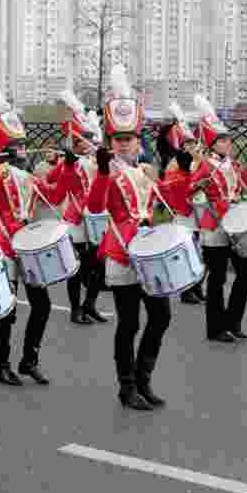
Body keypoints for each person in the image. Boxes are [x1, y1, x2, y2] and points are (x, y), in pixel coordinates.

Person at [0, 86, 75, 387]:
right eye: (19, 145)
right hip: (4, 247)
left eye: (25, 144)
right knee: (7, 310)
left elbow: (56, 193)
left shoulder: (28, 177)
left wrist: (68, 166)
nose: (25, 150)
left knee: (43, 306)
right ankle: (2, 365)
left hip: (28, 245)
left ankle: (29, 360)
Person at [87, 65, 172, 410]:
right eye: (119, 139)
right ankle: (127, 387)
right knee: (130, 321)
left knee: (161, 316)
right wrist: (104, 172)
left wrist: (178, 175)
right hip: (122, 254)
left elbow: (168, 206)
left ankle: (144, 379)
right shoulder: (104, 171)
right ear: (110, 142)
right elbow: (94, 207)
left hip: (149, 252)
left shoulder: (145, 170)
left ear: (139, 140)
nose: (125, 144)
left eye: (130, 138)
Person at [186, 94, 247, 342]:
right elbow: (188, 192)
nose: (228, 143)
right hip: (215, 227)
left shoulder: (233, 165)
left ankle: (233, 321)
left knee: (245, 274)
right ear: (213, 144)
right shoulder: (205, 166)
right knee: (218, 278)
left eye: (228, 139)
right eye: (223, 140)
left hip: (236, 225)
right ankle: (215, 328)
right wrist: (198, 185)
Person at [46, 89, 108, 325]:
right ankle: (75, 309)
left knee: (99, 267)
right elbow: (57, 186)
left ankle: (89, 304)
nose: (89, 143)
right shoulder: (70, 164)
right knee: (76, 268)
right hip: (76, 222)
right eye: (84, 139)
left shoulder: (97, 161)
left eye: (91, 138)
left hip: (97, 219)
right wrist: (65, 165)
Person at [159, 100, 206, 305]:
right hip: (184, 216)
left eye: (193, 143)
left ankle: (196, 288)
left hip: (201, 215)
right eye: (187, 144)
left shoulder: (200, 161)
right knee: (187, 253)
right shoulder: (176, 165)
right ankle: (186, 291)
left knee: (199, 254)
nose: (191, 147)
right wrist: (191, 175)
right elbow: (175, 189)